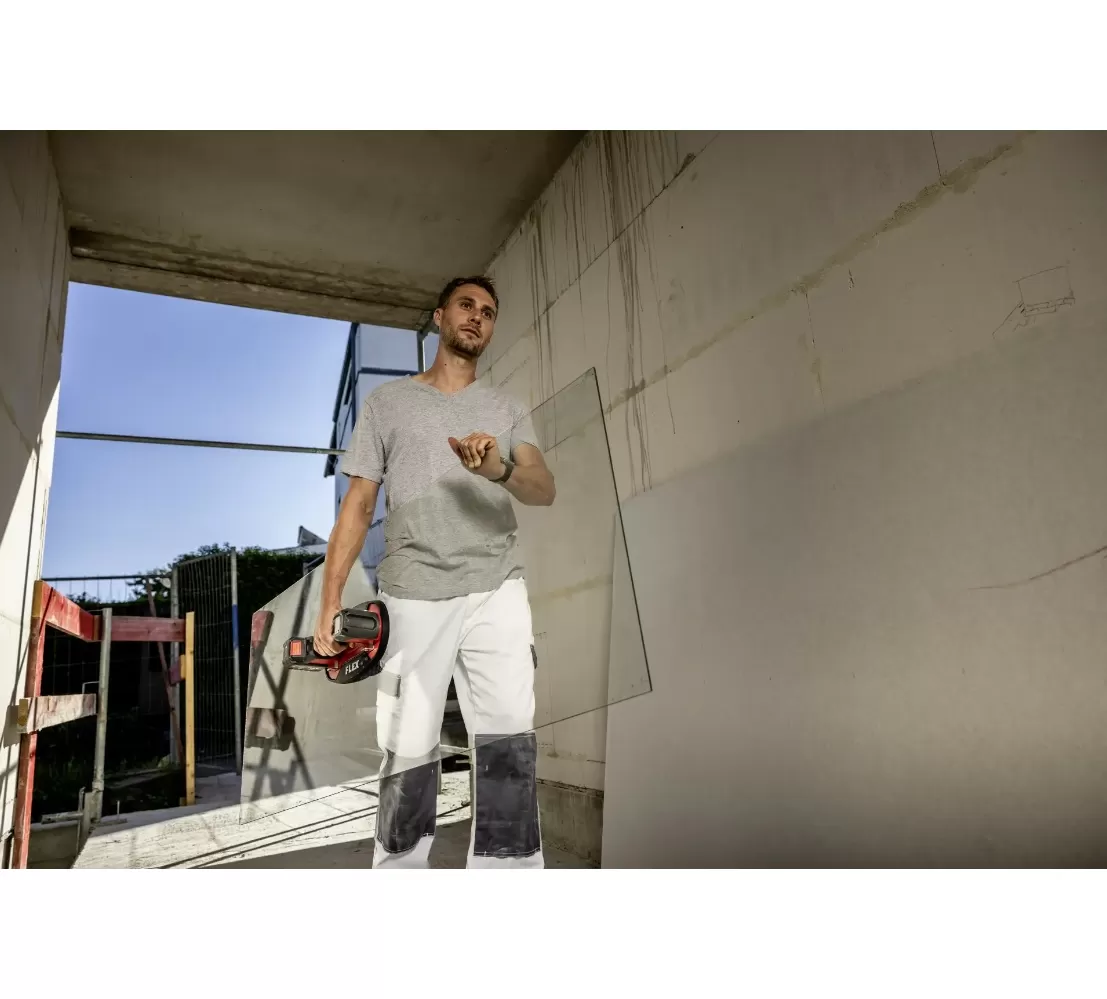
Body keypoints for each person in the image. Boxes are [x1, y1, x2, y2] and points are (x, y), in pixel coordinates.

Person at [314, 275, 556, 869]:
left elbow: (543, 488)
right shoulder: (387, 404)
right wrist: (330, 600)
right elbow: (358, 505)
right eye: (466, 305)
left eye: (488, 312)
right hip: (414, 590)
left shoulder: (506, 409)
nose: (477, 317)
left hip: (497, 586)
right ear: (439, 316)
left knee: (508, 741)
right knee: (407, 746)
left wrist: (499, 470)